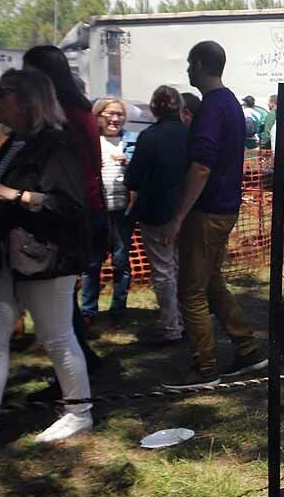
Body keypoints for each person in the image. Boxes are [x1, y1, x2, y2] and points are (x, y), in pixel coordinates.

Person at [0, 69, 93, 456]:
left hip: (46, 258)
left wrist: (12, 195)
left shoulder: (57, 143)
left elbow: (68, 204)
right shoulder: (14, 142)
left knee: (55, 336)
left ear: (26, 100)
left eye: (1, 93)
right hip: (9, 254)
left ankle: (80, 411)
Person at [158, 41, 266, 389]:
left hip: (206, 211)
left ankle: (204, 369)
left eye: (191, 63)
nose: (188, 69)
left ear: (201, 64)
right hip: (225, 208)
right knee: (212, 281)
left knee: (190, 292)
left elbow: (201, 167)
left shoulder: (211, 108)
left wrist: (177, 218)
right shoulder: (231, 103)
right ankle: (248, 349)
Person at [20, 44, 104, 385]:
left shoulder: (63, 115)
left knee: (57, 300)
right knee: (62, 297)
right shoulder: (77, 109)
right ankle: (81, 360)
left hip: (69, 213)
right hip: (83, 209)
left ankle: (71, 382)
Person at [125, 86, 189, 345]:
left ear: (154, 108)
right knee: (180, 268)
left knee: (164, 271)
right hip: (186, 210)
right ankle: (184, 320)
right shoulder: (190, 136)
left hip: (157, 212)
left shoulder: (149, 136)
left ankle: (172, 326)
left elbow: (134, 178)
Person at [80, 97, 136, 321]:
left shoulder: (133, 140)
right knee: (92, 263)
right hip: (96, 210)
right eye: (109, 114)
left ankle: (118, 310)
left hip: (123, 211)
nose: (115, 119)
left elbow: (143, 173)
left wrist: (130, 164)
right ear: (98, 117)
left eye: (119, 114)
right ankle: (88, 311)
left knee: (121, 262)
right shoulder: (90, 143)